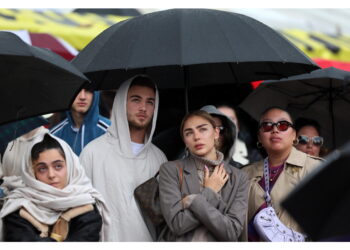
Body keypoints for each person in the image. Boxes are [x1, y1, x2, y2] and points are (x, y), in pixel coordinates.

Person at [79, 75, 167, 241]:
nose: (143, 108)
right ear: (121, 103)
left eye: (150, 102)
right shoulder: (93, 153)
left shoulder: (159, 158)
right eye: (136, 100)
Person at [0, 133, 110, 241]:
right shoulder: (18, 206)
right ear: (31, 173)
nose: (51, 175)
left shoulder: (86, 204)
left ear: (71, 166)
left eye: (58, 166)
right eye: (42, 168)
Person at [159, 110, 249, 241]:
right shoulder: (170, 169)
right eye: (189, 133)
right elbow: (178, 224)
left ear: (216, 133)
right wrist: (210, 192)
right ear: (185, 141)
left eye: (202, 130)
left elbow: (231, 232)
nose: (197, 137)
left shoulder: (238, 177)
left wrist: (193, 201)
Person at [241, 107, 323, 241]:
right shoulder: (244, 173)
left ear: (294, 135)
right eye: (267, 126)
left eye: (283, 125)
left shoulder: (315, 168)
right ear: (259, 137)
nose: (275, 130)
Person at [50, 88, 111, 156]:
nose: (82, 97)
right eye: (77, 90)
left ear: (95, 94)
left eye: (88, 90)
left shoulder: (110, 131)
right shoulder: (54, 135)